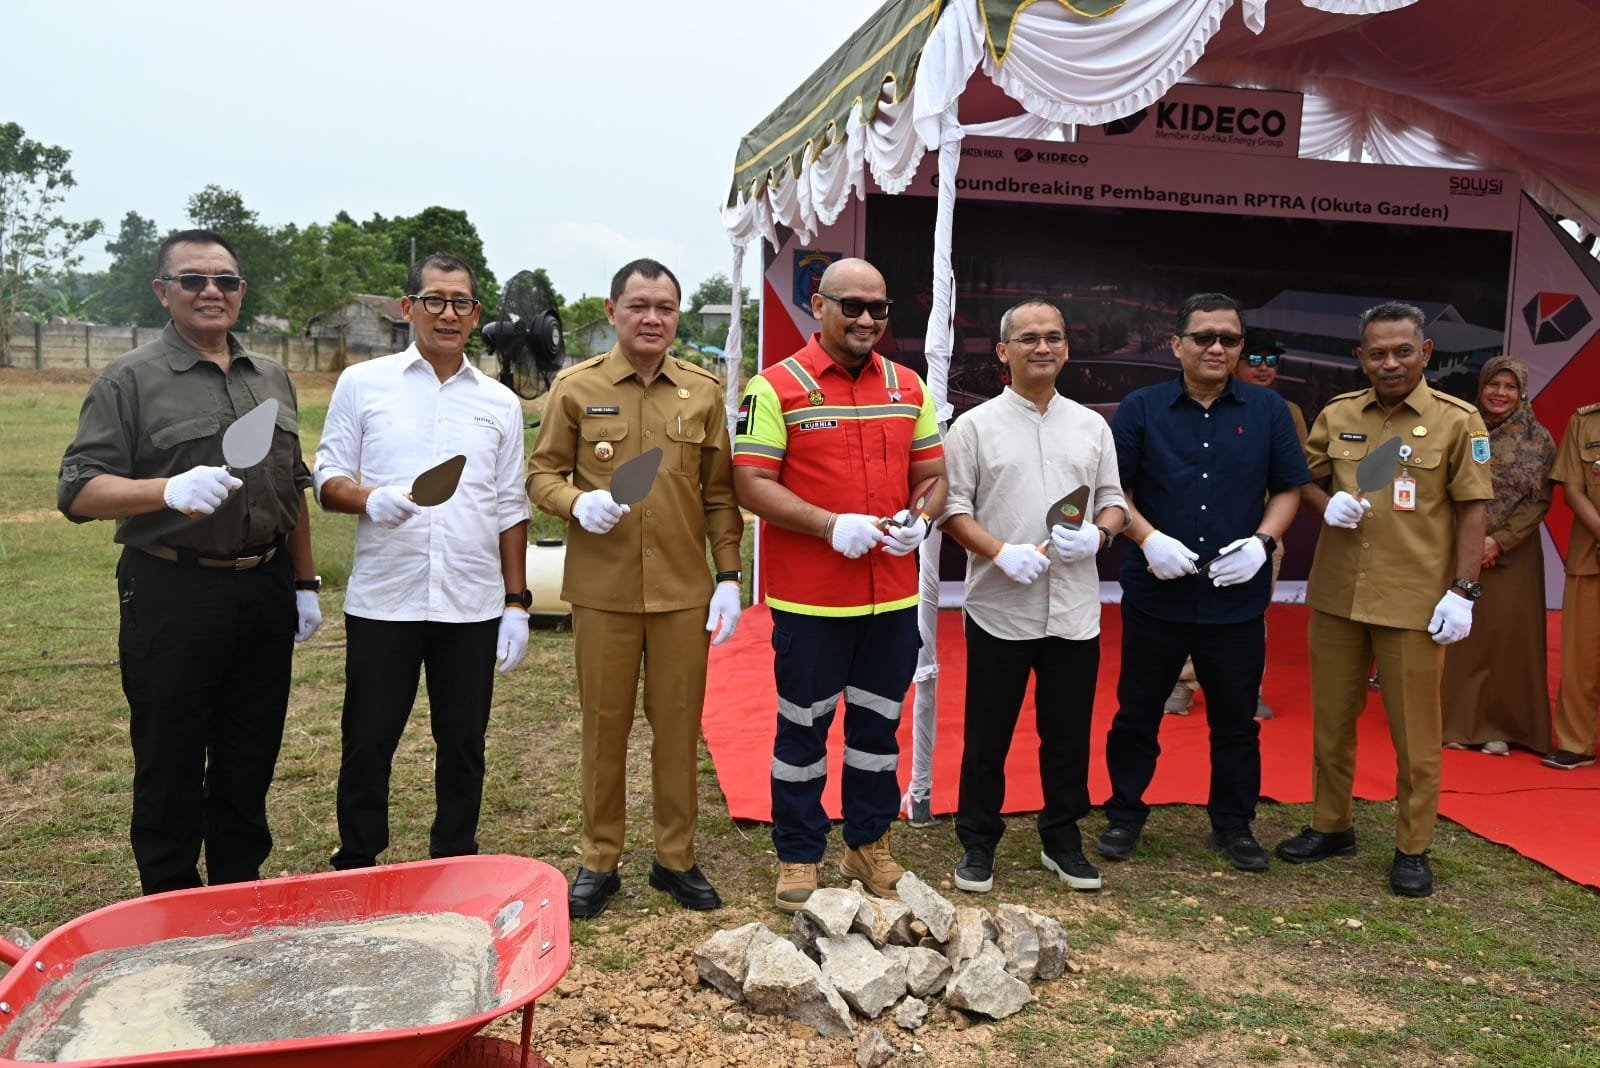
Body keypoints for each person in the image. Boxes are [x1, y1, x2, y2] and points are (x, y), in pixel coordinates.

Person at [56, 229, 322, 894]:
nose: (212, 292)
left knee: (250, 750)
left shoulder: (270, 376)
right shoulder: (131, 380)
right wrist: (164, 490)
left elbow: (293, 485)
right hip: (173, 588)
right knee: (171, 755)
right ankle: (170, 901)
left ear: (241, 291)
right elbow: (78, 490)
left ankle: (236, 890)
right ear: (163, 291)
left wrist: (305, 580)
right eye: (194, 280)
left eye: (226, 280)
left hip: (262, 587)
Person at [527, 258, 744, 918]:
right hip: (604, 590)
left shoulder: (704, 392)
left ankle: (675, 859)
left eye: (666, 308)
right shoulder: (575, 387)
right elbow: (540, 475)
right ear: (612, 309)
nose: (653, 318)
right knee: (605, 727)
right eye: (640, 305)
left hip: (683, 591)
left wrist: (730, 575)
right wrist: (573, 503)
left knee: (678, 729)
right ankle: (599, 860)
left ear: (678, 315)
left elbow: (718, 496)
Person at [733, 256, 946, 912]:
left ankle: (868, 843)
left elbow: (933, 476)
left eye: (877, 308)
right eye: (850, 305)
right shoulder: (775, 388)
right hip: (812, 600)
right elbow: (750, 484)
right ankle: (800, 852)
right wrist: (829, 526)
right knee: (804, 729)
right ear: (818, 307)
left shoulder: (910, 385)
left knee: (879, 729)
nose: (864, 319)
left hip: (893, 595)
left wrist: (921, 518)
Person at [314, 253, 531, 872]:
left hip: (471, 601)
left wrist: (517, 602)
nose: (447, 313)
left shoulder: (500, 402)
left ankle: (454, 857)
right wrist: (368, 498)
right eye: (434, 300)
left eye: (461, 302)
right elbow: (327, 476)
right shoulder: (363, 383)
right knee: (368, 739)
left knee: (462, 742)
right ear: (408, 308)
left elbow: (510, 506)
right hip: (386, 597)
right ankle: (358, 857)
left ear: (476, 315)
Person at [1278, 301, 1490, 898]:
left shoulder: (1458, 421)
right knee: (1332, 722)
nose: (1390, 363)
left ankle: (1412, 845)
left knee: (1414, 733)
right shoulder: (1341, 412)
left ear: (1426, 353)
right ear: (1360, 357)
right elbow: (1302, 474)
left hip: (1415, 600)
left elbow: (1474, 507)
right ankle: (1330, 825)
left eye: (1403, 351)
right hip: (1341, 592)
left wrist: (1464, 590)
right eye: (1377, 352)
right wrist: (1325, 505)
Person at [1099, 293, 1308, 873]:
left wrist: (1262, 544)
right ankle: (1123, 816)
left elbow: (1290, 488)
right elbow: (1116, 491)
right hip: (1157, 590)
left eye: (1230, 339)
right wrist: (1148, 539)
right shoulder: (1141, 408)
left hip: (1236, 595)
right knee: (1137, 712)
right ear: (1177, 344)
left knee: (1236, 719)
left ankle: (1234, 826)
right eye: (1204, 337)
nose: (1218, 348)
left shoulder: (1268, 410)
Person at [940, 299, 1127, 895]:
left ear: (1067, 348)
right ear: (1003, 351)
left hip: (1073, 607)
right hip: (1001, 606)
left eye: (1052, 338)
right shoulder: (974, 427)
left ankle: (1063, 839)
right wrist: (998, 550)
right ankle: (977, 843)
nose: (1041, 348)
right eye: (1027, 339)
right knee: (987, 733)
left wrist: (1099, 534)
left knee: (1068, 732)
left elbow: (1115, 499)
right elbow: (950, 509)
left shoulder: (1092, 425)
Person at [1165, 326, 1307, 720]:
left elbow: (1292, 479)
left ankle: (1247, 688)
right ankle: (1182, 683)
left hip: (1258, 535)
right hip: (1193, 529)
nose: (1264, 368)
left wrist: (1265, 538)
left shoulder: (1284, 412)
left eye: (1272, 361)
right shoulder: (1186, 405)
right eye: (1255, 360)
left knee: (1249, 616)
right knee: (1188, 609)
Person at [1441, 356, 1555, 755]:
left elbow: (1539, 500)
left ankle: (1501, 728)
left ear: (1521, 392)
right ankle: (1457, 723)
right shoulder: (1464, 430)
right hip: (1458, 543)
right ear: (1482, 387)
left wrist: (1499, 541)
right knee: (1462, 637)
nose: (1500, 394)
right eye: (1494, 385)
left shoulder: (1538, 438)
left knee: (1507, 640)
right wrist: (1470, 539)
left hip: (1514, 553)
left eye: (1510, 387)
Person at [1545, 399, 1600, 770]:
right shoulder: (1584, 421)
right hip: (1590, 557)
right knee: (1582, 656)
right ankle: (1576, 742)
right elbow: (1573, 488)